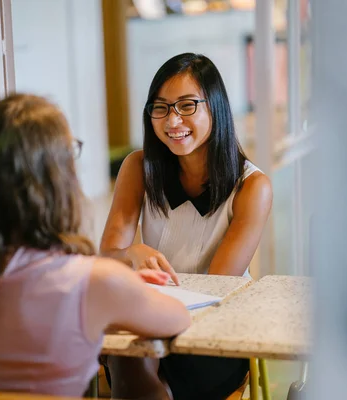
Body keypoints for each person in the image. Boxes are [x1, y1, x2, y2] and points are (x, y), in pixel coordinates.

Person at [0, 93, 191, 398]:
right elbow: (178, 317)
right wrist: (121, 293)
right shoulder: (95, 281)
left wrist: (116, 292)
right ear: (57, 180)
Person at [100, 53, 273, 399]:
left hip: (215, 331)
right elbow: (107, 257)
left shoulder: (252, 188)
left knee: (136, 359)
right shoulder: (138, 167)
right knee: (127, 352)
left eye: (187, 105)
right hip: (147, 322)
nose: (172, 120)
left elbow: (215, 289)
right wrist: (131, 254)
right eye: (160, 107)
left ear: (216, 107)